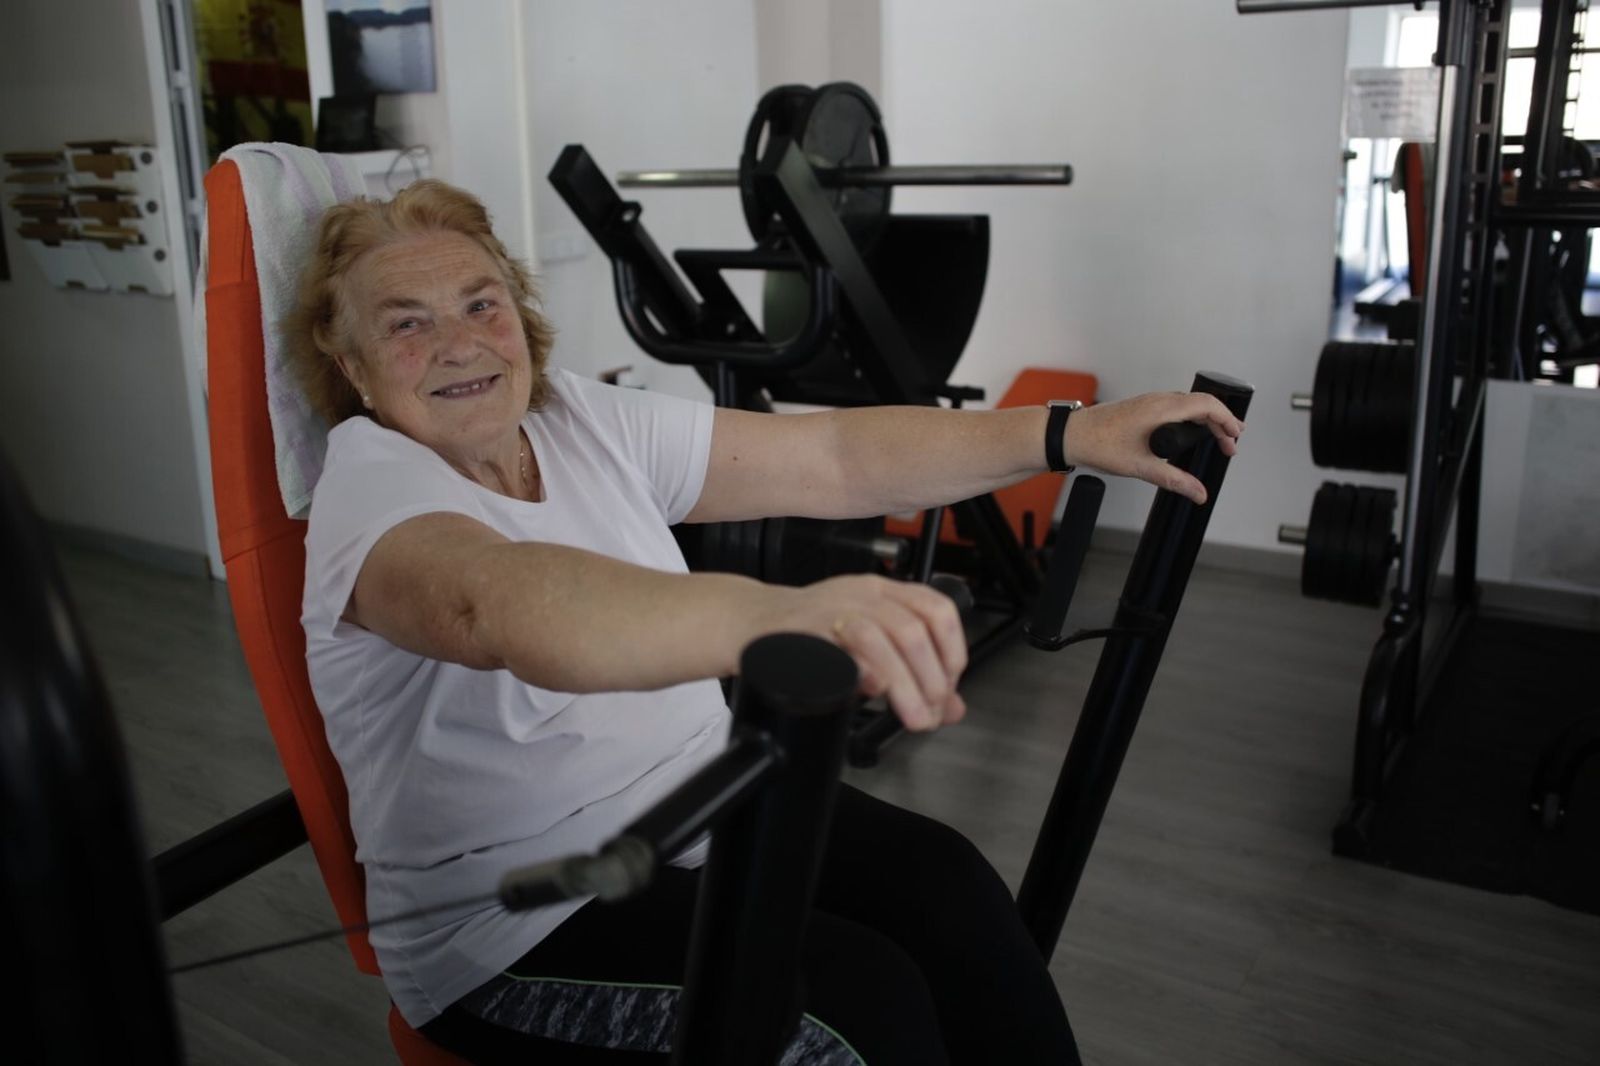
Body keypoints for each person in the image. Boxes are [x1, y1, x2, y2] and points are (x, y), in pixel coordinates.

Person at [285, 178, 1242, 1066]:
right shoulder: (372, 487)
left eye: (480, 303)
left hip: (710, 806)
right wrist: (785, 618)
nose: (459, 342)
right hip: (517, 924)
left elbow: (831, 455)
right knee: (864, 1010)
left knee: (950, 891)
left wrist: (1066, 432)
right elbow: (498, 601)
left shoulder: (572, 417)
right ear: (352, 364)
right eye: (407, 324)